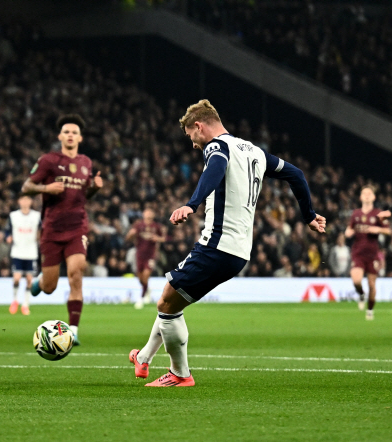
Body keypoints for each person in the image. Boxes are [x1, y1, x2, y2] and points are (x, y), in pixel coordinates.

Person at [129, 100, 326, 387]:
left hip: (216, 246)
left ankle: (179, 375)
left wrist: (191, 204)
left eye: (190, 137)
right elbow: (295, 174)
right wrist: (308, 214)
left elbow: (217, 167)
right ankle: (144, 358)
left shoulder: (216, 147)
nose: (193, 145)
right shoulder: (255, 151)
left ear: (199, 126)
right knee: (171, 299)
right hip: (239, 252)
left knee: (167, 303)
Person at [22, 114, 103, 344]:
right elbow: (26, 186)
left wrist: (95, 189)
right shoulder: (48, 160)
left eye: (74, 132)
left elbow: (84, 194)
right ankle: (40, 281)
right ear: (60, 136)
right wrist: (46, 188)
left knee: (76, 273)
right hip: (52, 230)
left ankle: (74, 329)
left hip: (77, 227)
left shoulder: (86, 163)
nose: (70, 135)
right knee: (49, 287)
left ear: (80, 137)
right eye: (66, 131)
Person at [344, 186, 391, 320]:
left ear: (374, 197)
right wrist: (348, 232)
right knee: (356, 280)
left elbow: (388, 231)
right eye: (364, 193)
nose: (366, 195)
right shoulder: (356, 214)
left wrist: (377, 229)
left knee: (372, 285)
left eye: (369, 193)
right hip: (358, 253)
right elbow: (350, 229)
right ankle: (361, 294)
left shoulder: (379, 213)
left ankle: (370, 310)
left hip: (372, 255)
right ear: (360, 197)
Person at [5, 194, 41, 315]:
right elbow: (7, 231)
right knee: (16, 278)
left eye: (27, 199)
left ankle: (25, 304)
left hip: (31, 252)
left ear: (30, 201)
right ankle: (15, 300)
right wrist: (8, 237)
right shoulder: (13, 216)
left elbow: (41, 231)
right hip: (18, 251)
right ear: (19, 201)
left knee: (29, 280)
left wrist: (40, 238)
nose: (25, 202)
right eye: (23, 199)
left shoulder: (36, 216)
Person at [125, 208, 165, 309]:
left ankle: (141, 299)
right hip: (139, 254)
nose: (148, 216)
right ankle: (147, 289)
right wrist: (130, 235)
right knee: (140, 276)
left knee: (146, 275)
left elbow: (163, 238)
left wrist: (158, 239)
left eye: (150, 214)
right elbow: (128, 238)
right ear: (143, 215)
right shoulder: (138, 226)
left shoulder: (156, 226)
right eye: (146, 214)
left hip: (150, 255)